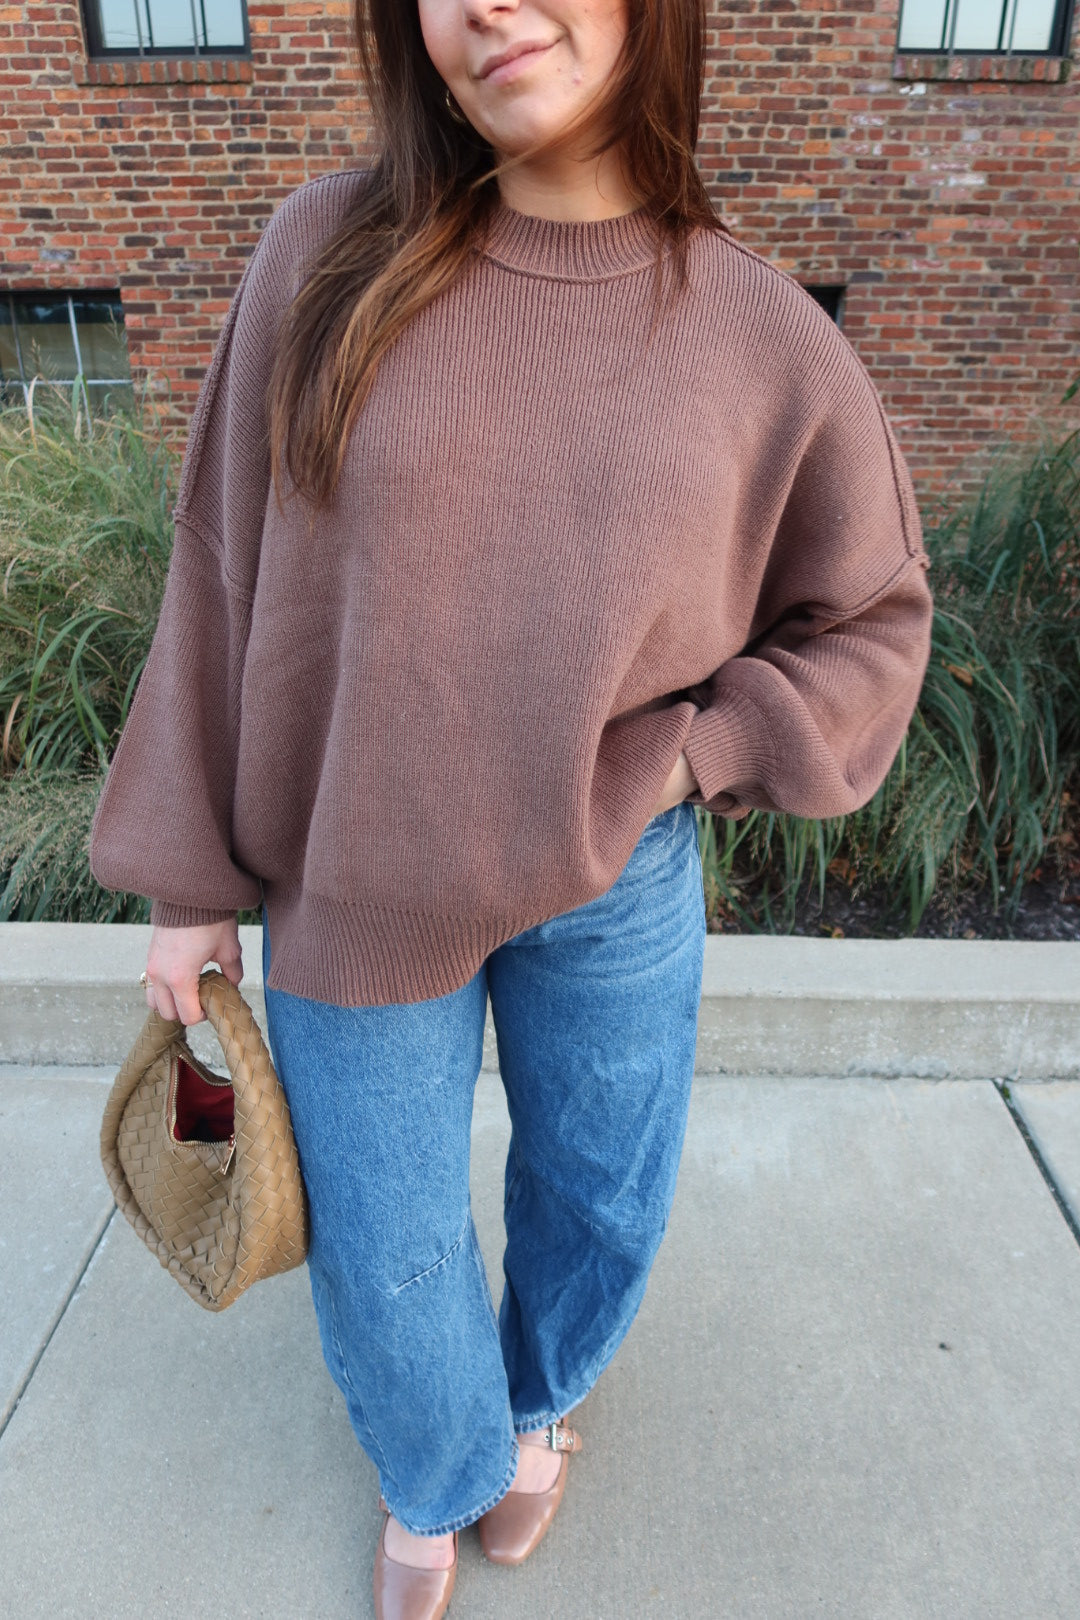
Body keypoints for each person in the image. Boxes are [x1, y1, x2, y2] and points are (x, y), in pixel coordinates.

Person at [88, 2, 935, 1615]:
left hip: (616, 877)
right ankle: (434, 1471)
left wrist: (688, 757)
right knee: (383, 1242)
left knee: (601, 1191)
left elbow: (873, 623)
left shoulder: (759, 333)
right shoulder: (323, 254)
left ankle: (538, 1402)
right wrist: (187, 885)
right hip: (356, 871)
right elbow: (220, 571)